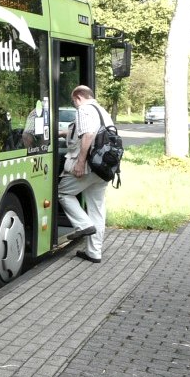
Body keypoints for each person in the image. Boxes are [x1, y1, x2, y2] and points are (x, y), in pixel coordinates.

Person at [57, 85, 111, 264]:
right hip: (103, 167)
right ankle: (94, 252)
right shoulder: (102, 111)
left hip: (88, 165)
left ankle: (83, 225)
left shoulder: (84, 109)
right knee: (97, 209)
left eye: (73, 101)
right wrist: (63, 133)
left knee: (63, 193)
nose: (74, 104)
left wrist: (80, 162)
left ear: (79, 97)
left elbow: (88, 134)